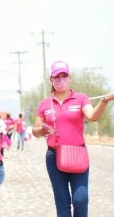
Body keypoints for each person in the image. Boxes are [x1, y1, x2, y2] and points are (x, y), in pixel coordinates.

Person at [32, 60, 114, 217]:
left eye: (64, 76)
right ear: (51, 79)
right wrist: (42, 130)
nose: (61, 80)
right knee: (62, 202)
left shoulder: (81, 98)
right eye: (57, 77)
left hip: (77, 155)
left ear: (69, 78)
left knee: (80, 199)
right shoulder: (44, 104)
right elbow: (35, 130)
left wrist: (104, 102)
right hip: (53, 156)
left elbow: (92, 116)